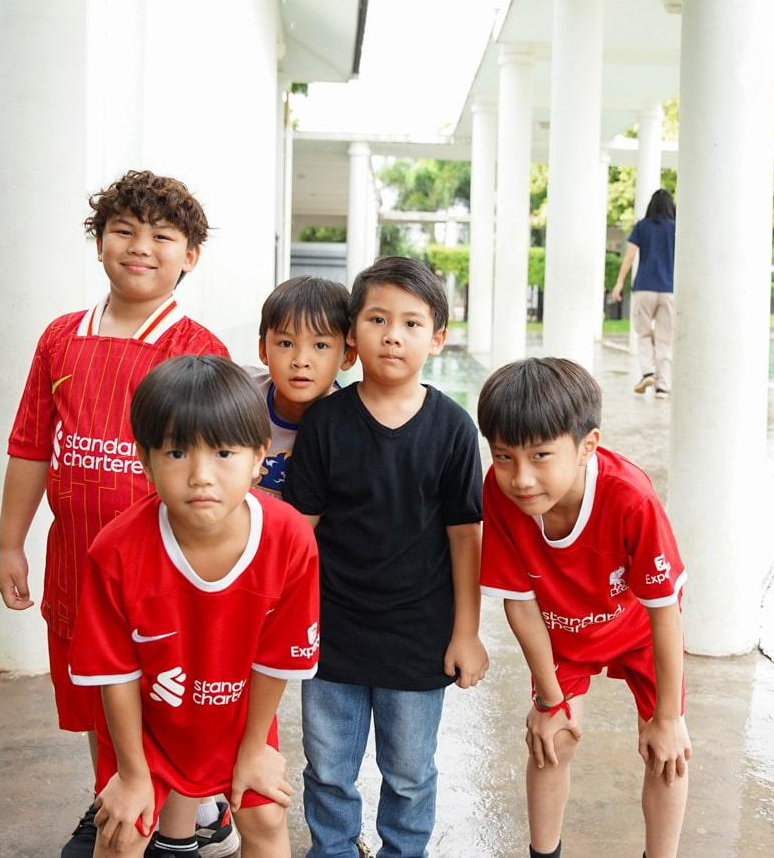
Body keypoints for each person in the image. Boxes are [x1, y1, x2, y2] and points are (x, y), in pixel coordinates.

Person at [0, 170, 232, 856]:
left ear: (190, 256)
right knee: (102, 692)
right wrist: (11, 544)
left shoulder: (196, 349)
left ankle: (182, 820)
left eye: (162, 236)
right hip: (78, 566)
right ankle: (116, 801)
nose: (140, 247)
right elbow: (30, 445)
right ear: (98, 242)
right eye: (123, 231)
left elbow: (216, 473)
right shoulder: (59, 339)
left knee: (173, 698)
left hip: (165, 571)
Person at [69, 355, 321, 858]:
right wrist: (132, 774)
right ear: (145, 460)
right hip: (144, 730)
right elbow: (114, 674)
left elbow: (276, 660)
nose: (201, 475)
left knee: (266, 815)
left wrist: (255, 749)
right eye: (177, 452)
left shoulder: (289, 538)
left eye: (224, 452)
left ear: (260, 456)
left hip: (237, 722)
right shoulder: (115, 551)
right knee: (122, 831)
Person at [284, 256, 489, 858]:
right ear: (353, 332)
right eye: (377, 319)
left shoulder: (453, 428)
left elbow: (465, 536)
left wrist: (466, 632)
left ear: (438, 338)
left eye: (411, 323)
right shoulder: (326, 422)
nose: (392, 335)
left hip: (418, 635)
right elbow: (300, 532)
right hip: (333, 632)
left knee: (409, 774)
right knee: (328, 769)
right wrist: (283, 618)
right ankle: (333, 851)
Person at [477, 357, 690, 858]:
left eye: (541, 456)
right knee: (552, 741)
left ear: (587, 445)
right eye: (504, 456)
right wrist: (551, 702)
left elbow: (665, 611)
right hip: (563, 634)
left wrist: (667, 718)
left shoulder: (630, 497)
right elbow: (520, 604)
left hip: (637, 630)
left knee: (667, 752)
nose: (521, 478)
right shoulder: (499, 492)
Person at [248, 275, 356, 499]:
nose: (301, 361)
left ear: (348, 356)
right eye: (286, 343)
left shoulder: (352, 424)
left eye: (321, 345)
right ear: (263, 350)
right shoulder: (241, 395)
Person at [611, 189, 677, 398]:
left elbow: (630, 256)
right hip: (669, 290)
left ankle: (648, 372)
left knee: (643, 333)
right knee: (665, 339)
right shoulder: (676, 228)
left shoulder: (642, 226)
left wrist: (619, 283)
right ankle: (663, 387)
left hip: (644, 288)